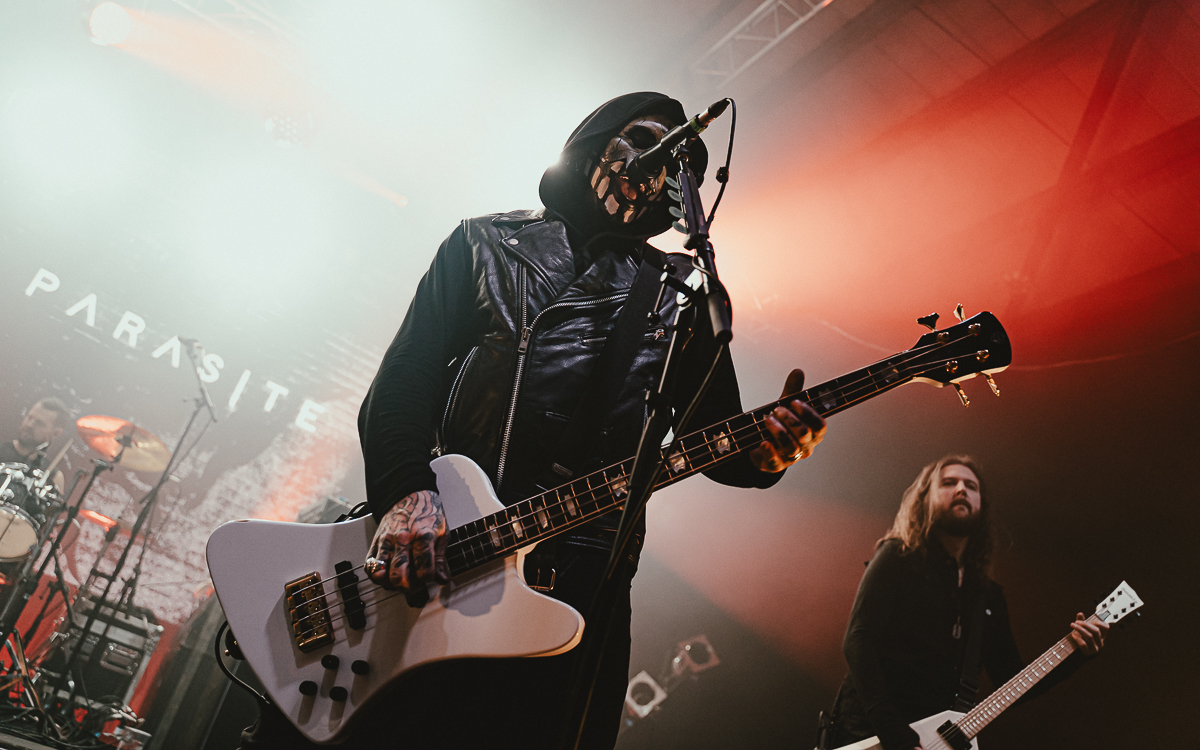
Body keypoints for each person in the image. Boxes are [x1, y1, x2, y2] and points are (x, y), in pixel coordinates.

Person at [307, 92, 823, 750]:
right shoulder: (485, 244)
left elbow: (714, 438)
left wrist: (768, 452)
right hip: (449, 550)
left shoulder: (683, 296)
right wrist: (408, 492)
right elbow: (404, 379)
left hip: (581, 586)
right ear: (596, 140)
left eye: (679, 162)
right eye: (641, 140)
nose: (656, 165)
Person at [824, 455, 1108, 750]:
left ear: (982, 505)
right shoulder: (898, 557)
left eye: (971, 486)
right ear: (926, 498)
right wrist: (896, 736)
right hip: (872, 736)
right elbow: (858, 641)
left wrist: (1077, 652)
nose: (961, 489)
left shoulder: (986, 595)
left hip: (937, 740)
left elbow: (1012, 682)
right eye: (949, 483)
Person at [0, 397, 68, 490]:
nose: (29, 425)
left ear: (56, 433)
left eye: (39, 423)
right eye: (29, 417)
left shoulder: (53, 477)